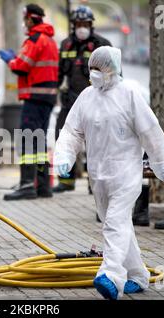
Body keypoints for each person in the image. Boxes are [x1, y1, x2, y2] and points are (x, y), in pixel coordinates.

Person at [54, 46, 164, 300]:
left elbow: (151, 133)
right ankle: (139, 275)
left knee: (114, 224)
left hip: (126, 175)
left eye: (100, 68)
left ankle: (110, 276)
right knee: (117, 224)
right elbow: (71, 131)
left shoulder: (129, 94)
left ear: (112, 68)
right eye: (92, 68)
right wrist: (65, 157)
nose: (94, 73)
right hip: (98, 176)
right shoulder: (87, 96)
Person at [0, 3, 59, 201]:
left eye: (25, 19)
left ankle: (26, 185)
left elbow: (22, 66)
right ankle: (43, 186)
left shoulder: (35, 39)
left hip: (34, 97)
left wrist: (10, 60)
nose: (24, 23)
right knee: (39, 141)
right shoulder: (50, 40)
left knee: (26, 139)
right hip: (48, 97)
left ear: (31, 19)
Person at [53, 5, 111, 194]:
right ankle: (66, 180)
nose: (82, 27)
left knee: (96, 142)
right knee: (62, 136)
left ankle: (94, 183)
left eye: (85, 23)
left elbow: (114, 73)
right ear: (73, 25)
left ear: (91, 24)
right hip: (71, 101)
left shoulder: (102, 44)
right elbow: (59, 72)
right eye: (78, 24)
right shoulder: (66, 44)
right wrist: (55, 91)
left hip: (96, 101)